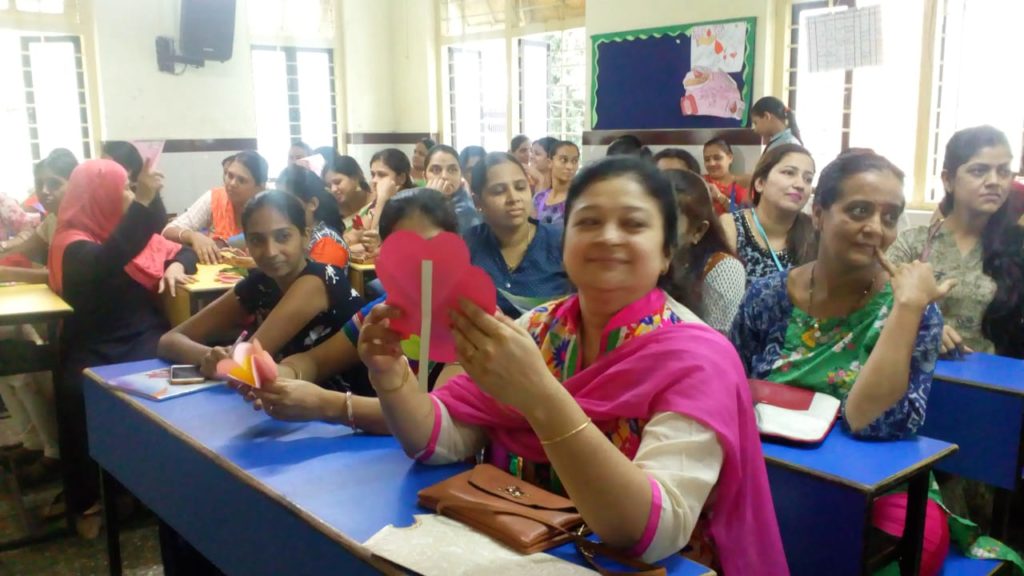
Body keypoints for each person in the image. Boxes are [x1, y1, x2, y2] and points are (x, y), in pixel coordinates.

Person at [356, 156, 788, 573]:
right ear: (564, 245)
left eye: (634, 224)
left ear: (665, 255)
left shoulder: (699, 359)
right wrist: (391, 377)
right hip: (522, 552)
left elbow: (653, 532)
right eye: (588, 222)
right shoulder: (539, 329)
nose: (608, 237)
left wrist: (540, 395)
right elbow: (438, 439)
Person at [730, 149, 1024, 575]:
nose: (875, 229)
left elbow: (872, 423)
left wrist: (906, 308)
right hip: (771, 477)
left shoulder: (913, 310)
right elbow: (729, 393)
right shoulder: (768, 297)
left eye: (890, 217)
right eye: (859, 210)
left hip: (883, 493)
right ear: (819, 213)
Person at [49, 159, 196, 537]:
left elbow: (178, 249)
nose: (130, 196)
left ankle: (142, 490)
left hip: (143, 336)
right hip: (95, 345)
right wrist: (144, 203)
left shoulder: (120, 232)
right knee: (77, 393)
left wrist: (177, 266)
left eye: (132, 189)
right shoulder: (72, 244)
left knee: (179, 380)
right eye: (124, 189)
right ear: (99, 196)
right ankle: (90, 500)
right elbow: (104, 262)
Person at [236, 188, 464, 430]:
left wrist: (325, 404)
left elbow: (437, 417)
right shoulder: (383, 312)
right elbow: (314, 362)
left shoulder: (472, 321)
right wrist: (278, 378)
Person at [158, 190, 364, 392]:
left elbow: (246, 363)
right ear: (246, 243)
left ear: (305, 237)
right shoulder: (260, 283)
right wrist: (210, 356)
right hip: (293, 402)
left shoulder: (317, 280)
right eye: (257, 240)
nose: (271, 251)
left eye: (283, 237)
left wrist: (227, 362)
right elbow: (168, 341)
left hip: (351, 407)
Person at [888, 126, 1019, 356]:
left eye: (1004, 171)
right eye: (979, 171)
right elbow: (875, 306)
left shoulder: (1017, 245)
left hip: (993, 380)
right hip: (912, 370)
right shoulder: (914, 243)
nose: (994, 181)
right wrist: (922, 326)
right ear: (948, 180)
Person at [465, 152, 571, 317]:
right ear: (478, 202)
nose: (513, 198)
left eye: (521, 187)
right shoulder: (467, 246)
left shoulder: (561, 243)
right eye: (499, 191)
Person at [664, 170, 745, 333]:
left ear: (698, 231)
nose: (657, 232)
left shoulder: (724, 269)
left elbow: (718, 345)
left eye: (670, 224)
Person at [720, 143, 816, 279]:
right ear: (760, 183)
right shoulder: (732, 226)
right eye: (789, 173)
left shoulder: (815, 232)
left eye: (808, 179)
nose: (800, 185)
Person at [163, 150, 269, 264]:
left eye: (241, 180)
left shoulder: (271, 209)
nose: (232, 183)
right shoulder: (215, 197)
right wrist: (192, 236)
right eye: (230, 175)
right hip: (216, 275)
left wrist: (224, 244)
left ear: (260, 187)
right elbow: (167, 231)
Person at [0, 149, 79, 267]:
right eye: (39, 184)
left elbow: (66, 276)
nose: (44, 191)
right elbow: (23, 248)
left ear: (76, 183)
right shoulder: (52, 220)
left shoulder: (84, 222)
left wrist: (7, 272)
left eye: (54, 183)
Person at [283, 166, 350, 269]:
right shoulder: (296, 234)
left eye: (287, 203)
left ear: (312, 204)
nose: (279, 210)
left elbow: (316, 283)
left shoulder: (327, 242)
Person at [425, 144, 481, 235]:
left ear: (460, 175)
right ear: (425, 176)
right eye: (436, 170)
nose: (444, 176)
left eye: (452, 169)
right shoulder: (413, 206)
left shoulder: (469, 211)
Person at [532, 140, 580, 226]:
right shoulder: (539, 198)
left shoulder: (579, 200)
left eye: (574, 161)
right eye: (563, 160)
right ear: (550, 163)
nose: (570, 166)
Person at [703, 137, 751, 215]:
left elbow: (747, 218)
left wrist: (720, 197)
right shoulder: (701, 182)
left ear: (730, 158)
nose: (711, 163)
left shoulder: (745, 183)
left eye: (717, 158)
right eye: (707, 159)